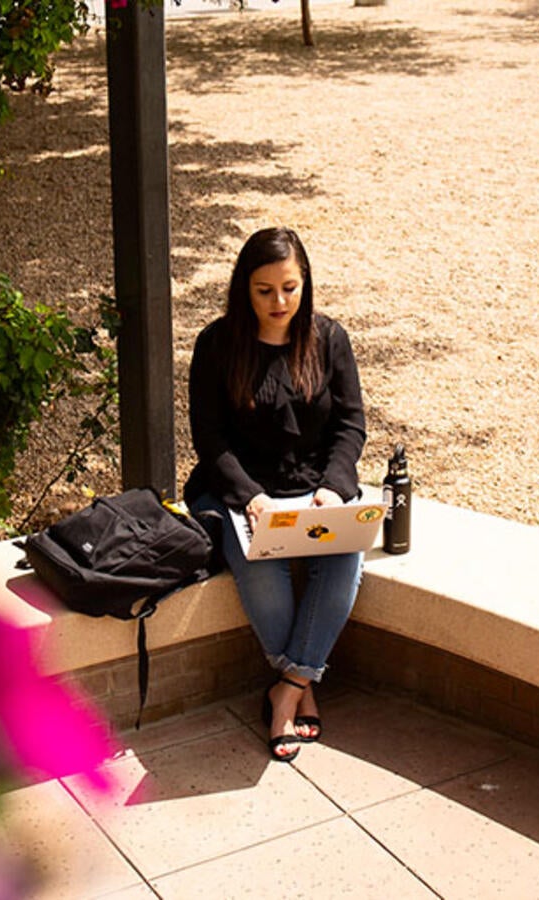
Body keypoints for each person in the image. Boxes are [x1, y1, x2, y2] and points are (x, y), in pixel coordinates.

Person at [185, 227, 367, 763]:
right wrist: (252, 499)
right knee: (261, 571)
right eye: (265, 291)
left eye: (290, 288)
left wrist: (333, 489)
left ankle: (285, 688)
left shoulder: (330, 339)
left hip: (315, 494)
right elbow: (209, 440)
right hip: (237, 494)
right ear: (244, 288)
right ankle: (302, 685)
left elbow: (351, 427)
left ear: (305, 284)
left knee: (344, 558)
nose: (279, 302)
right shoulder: (216, 345)